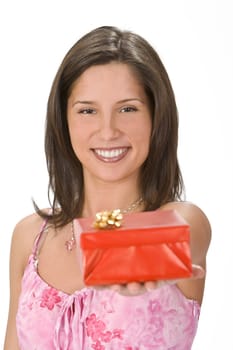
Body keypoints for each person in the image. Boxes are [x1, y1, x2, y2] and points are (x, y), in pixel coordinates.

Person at [4, 26, 211, 350]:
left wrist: (131, 259)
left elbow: (138, 249)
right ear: (64, 119)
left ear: (157, 117)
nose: (108, 130)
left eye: (128, 109)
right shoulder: (30, 237)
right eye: (87, 110)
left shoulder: (184, 219)